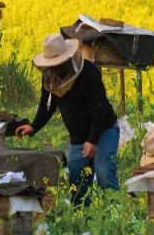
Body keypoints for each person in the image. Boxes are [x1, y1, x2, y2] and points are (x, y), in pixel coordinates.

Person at [16, 34, 119, 205]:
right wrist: (34, 127)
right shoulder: (49, 78)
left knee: (103, 172)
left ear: (67, 59)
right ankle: (82, 219)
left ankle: (116, 215)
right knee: (77, 183)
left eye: (57, 64)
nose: (54, 68)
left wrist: (92, 140)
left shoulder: (89, 72)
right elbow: (46, 106)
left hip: (104, 131)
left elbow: (98, 108)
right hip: (78, 138)